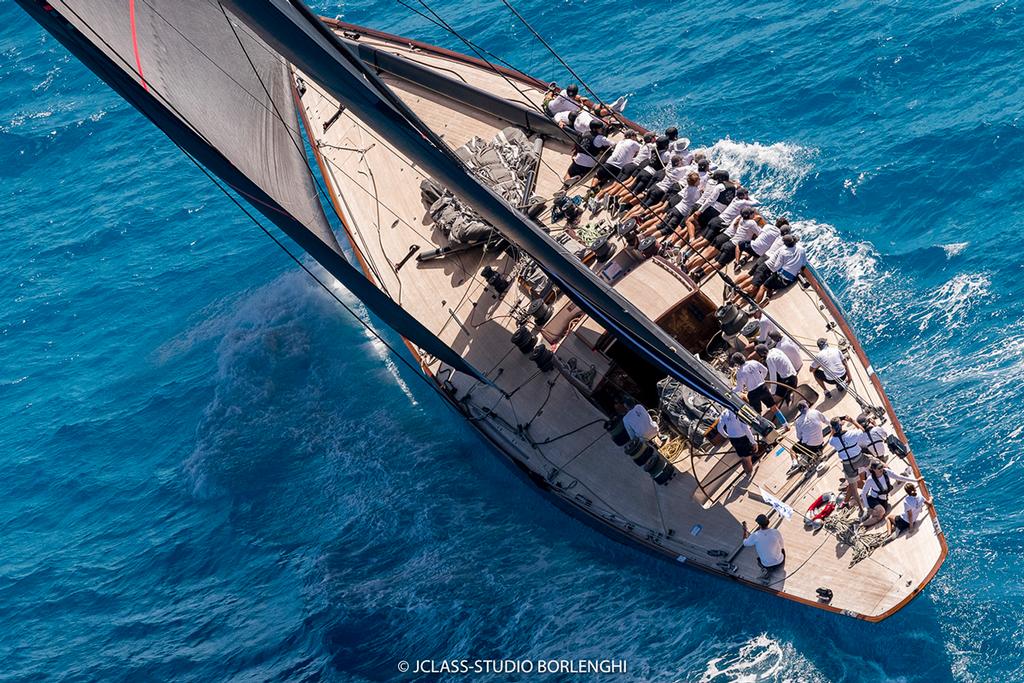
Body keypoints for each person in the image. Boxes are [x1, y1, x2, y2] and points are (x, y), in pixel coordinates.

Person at [860, 459, 923, 526]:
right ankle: (866, 517)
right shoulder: (870, 480)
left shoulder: (886, 472)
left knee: (880, 516)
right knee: (882, 512)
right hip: (873, 499)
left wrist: (916, 480)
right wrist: (867, 507)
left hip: (883, 499)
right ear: (873, 469)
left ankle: (865, 520)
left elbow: (899, 477)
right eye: (879, 468)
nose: (881, 469)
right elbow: (864, 493)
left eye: (882, 466)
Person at [829, 417, 867, 511]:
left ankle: (861, 509)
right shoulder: (851, 433)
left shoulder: (832, 441)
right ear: (841, 425)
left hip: (847, 464)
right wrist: (852, 421)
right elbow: (862, 430)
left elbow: (830, 437)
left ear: (832, 428)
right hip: (859, 459)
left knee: (853, 486)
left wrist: (832, 430)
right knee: (877, 462)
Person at [563, 119, 613, 186]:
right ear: (596, 129)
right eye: (600, 128)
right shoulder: (600, 138)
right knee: (583, 173)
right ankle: (579, 177)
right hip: (589, 163)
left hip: (578, 159)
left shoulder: (584, 133)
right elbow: (613, 144)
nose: (601, 129)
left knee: (569, 172)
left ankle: (566, 184)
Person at [755, 342, 797, 411]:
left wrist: (773, 393)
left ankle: (788, 396)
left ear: (762, 354)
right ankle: (787, 394)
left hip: (789, 382)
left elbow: (773, 377)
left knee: (772, 401)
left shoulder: (769, 359)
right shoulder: (775, 350)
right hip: (793, 375)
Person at [716, 407, 758, 475]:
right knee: (747, 458)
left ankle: (746, 471)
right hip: (742, 438)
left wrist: (727, 435)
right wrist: (753, 442)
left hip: (733, 439)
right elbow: (746, 429)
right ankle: (749, 472)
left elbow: (719, 428)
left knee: (743, 457)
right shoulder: (739, 412)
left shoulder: (724, 413)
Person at [792, 401, 829, 472]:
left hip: (810, 446)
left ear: (800, 410)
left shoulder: (797, 421)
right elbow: (827, 421)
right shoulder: (815, 412)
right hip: (820, 442)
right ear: (807, 406)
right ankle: (813, 452)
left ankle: (795, 464)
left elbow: (799, 437)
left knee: (793, 449)